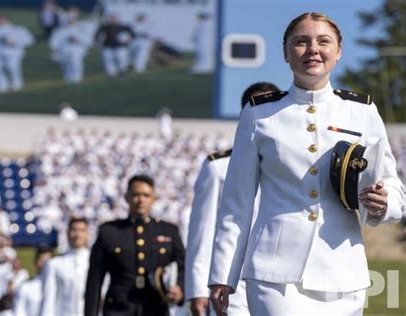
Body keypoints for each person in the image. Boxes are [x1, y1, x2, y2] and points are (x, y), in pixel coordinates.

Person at [209, 12, 405, 316]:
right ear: (286, 53)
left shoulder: (362, 111)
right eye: (301, 42)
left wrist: (384, 202)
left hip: (343, 273)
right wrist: (222, 275)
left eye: (323, 41)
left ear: (338, 51)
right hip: (274, 275)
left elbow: (391, 184)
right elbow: (237, 204)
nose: (313, 49)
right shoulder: (259, 114)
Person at [185, 82, 279, 316]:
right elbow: (203, 232)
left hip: (279, 278)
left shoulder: (291, 165)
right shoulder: (219, 167)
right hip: (233, 282)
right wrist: (196, 289)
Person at [85, 174, 185, 316]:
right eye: (136, 195)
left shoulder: (168, 231)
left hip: (156, 309)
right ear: (127, 197)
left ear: (154, 198)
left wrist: (180, 288)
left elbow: (183, 265)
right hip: (118, 309)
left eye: (146, 195)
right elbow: (95, 279)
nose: (141, 200)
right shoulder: (109, 232)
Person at [39, 217, 90, 316]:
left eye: (82, 230)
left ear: (87, 233)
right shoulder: (54, 264)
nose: (77, 235)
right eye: (74, 230)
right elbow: (48, 301)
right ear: (67, 233)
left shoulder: (96, 262)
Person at [49, 10, 92, 84]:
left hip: (77, 49)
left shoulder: (81, 29)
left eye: (72, 19)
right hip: (64, 50)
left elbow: (88, 40)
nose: (71, 21)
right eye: (69, 19)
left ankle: (77, 77)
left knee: (75, 62)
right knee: (66, 63)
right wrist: (53, 50)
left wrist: (78, 40)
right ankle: (68, 77)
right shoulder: (60, 30)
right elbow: (54, 41)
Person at [13, 246, 53, 316]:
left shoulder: (62, 287)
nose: (46, 264)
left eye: (48, 260)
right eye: (42, 260)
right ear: (36, 263)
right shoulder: (25, 287)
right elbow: (19, 312)